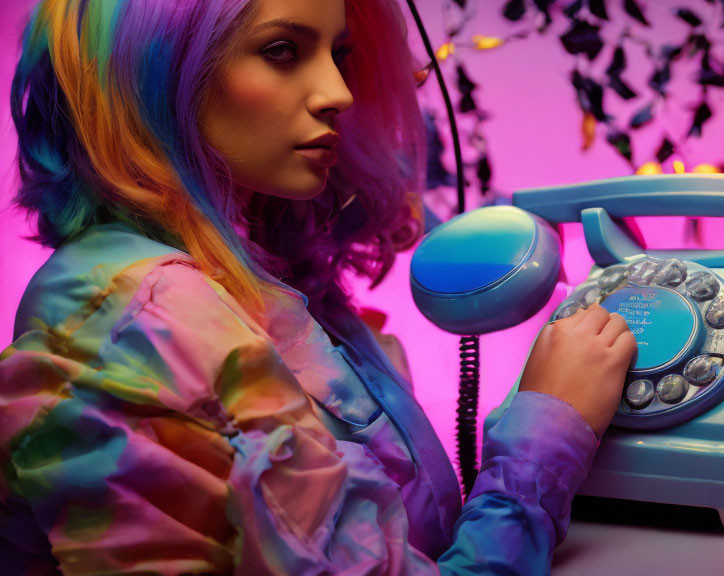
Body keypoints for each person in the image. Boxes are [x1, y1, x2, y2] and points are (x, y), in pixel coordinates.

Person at [0, 0, 636, 573]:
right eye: (282, 51)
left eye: (341, 55)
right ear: (152, 74)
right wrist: (547, 431)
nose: (338, 93)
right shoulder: (150, 323)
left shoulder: (257, 273)